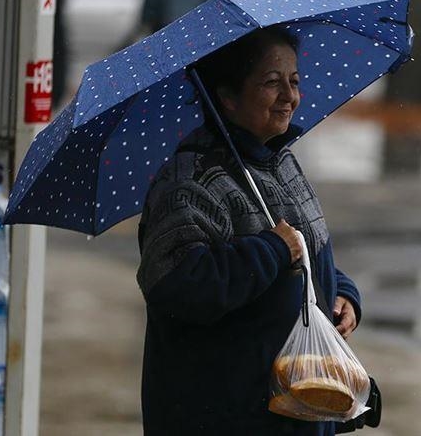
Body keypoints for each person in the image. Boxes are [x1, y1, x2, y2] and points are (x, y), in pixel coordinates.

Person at [136, 26, 362, 435]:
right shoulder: (188, 185)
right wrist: (271, 250)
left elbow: (305, 251)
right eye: (271, 83)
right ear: (226, 97)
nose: (289, 97)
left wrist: (342, 292)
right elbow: (180, 289)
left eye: (294, 82)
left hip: (297, 412)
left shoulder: (281, 165)